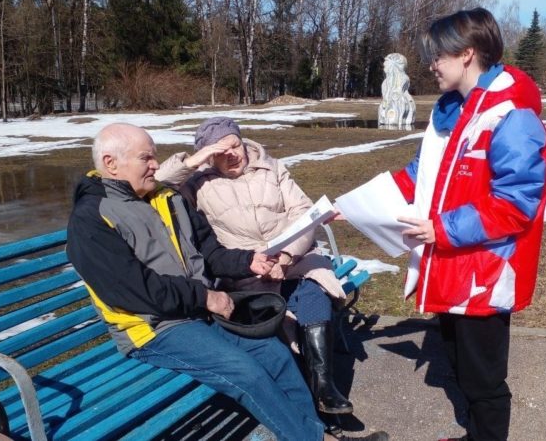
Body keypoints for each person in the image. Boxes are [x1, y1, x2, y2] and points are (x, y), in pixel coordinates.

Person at [66, 123, 387, 441]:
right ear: (111, 164)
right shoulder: (91, 218)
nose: (154, 165)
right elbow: (134, 291)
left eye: (154, 157)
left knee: (274, 355)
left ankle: (317, 435)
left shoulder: (165, 198)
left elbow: (209, 252)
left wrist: (248, 261)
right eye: (146, 158)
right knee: (246, 372)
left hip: (198, 310)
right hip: (154, 327)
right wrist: (205, 297)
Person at [389, 9, 546, 441]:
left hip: (485, 269)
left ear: (466, 54)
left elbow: (516, 205)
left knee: (484, 382)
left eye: (437, 56)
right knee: (459, 364)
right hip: (450, 263)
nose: (430, 65)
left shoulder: (510, 114)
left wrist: (440, 230)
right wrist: (361, 204)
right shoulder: (451, 113)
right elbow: (419, 175)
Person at [155, 116, 353, 416]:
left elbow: (303, 212)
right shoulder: (198, 183)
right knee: (280, 311)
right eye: (220, 151)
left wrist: (286, 258)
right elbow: (156, 184)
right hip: (245, 271)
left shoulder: (272, 168)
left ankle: (323, 386)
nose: (231, 154)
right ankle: (306, 394)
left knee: (313, 289)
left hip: (294, 257)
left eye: (234, 145)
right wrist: (196, 160)